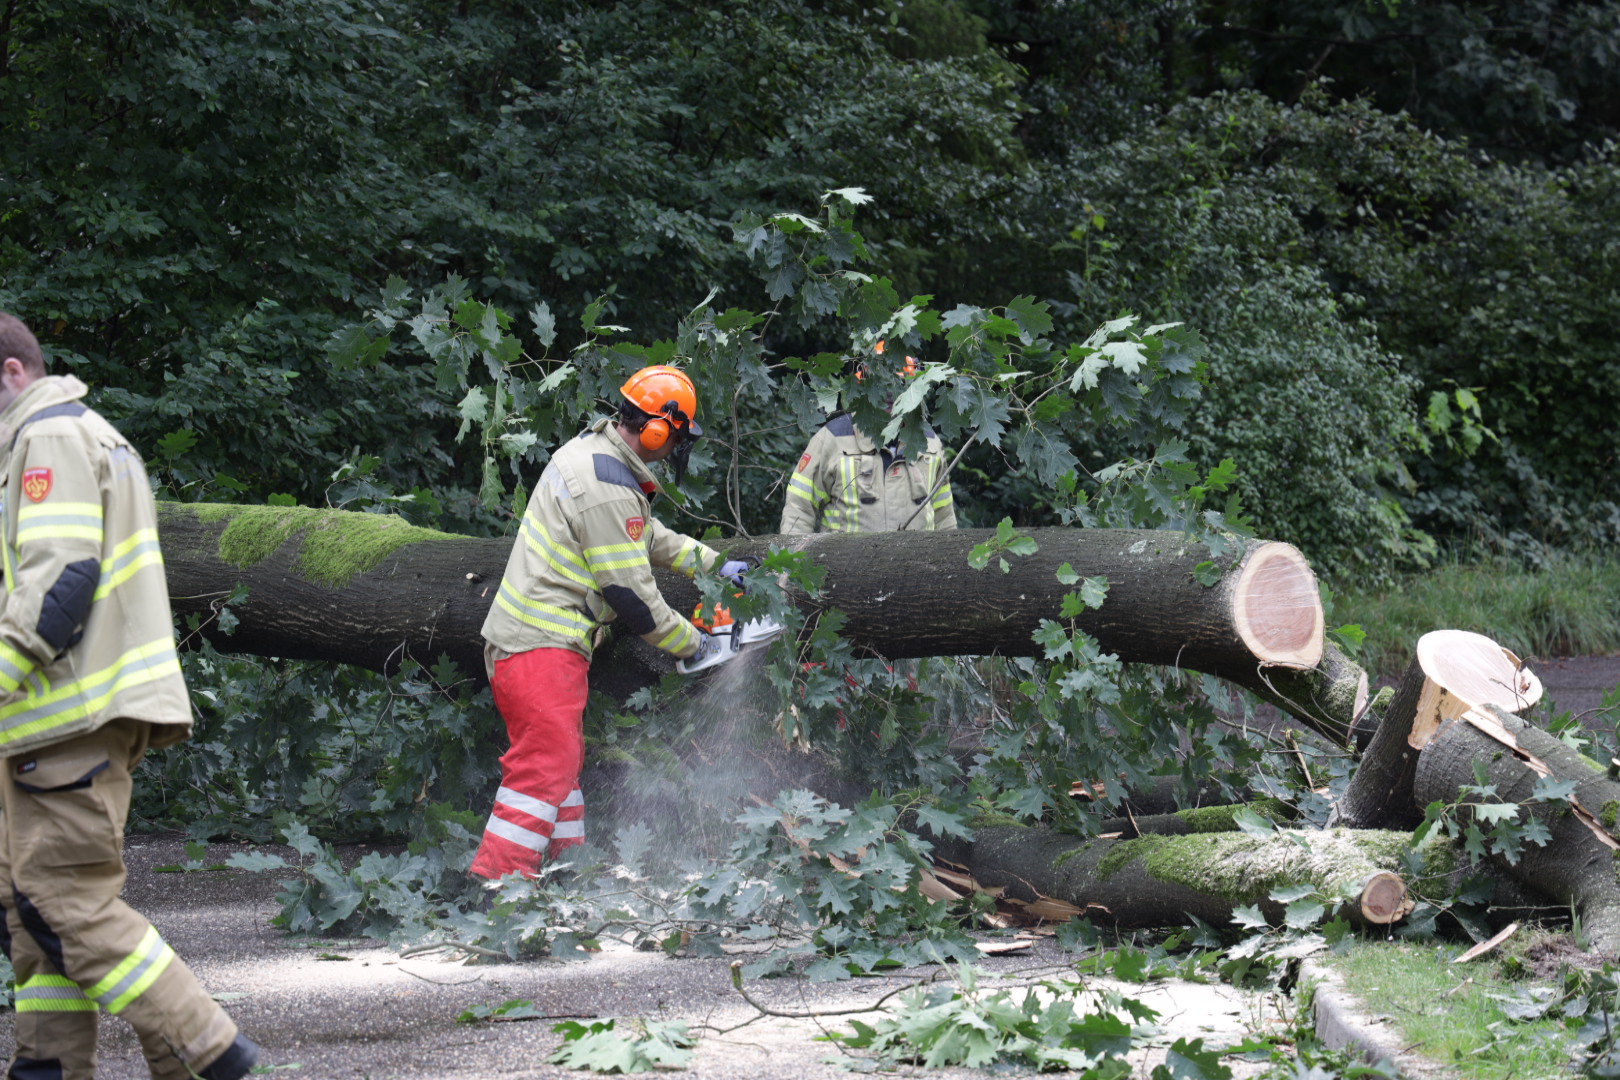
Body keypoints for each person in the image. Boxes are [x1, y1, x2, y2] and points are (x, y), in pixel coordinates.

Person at [0, 313, 259, 1080]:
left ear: (13, 373)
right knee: (36, 912)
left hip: (65, 716)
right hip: (55, 723)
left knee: (66, 902)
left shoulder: (47, 436)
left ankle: (210, 1055)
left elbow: (61, 581)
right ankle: (47, 1066)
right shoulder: (58, 438)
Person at [471, 365, 746, 880]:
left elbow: (645, 534)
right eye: (675, 439)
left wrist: (713, 563)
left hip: (542, 643)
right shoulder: (607, 486)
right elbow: (633, 598)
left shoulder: (596, 457)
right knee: (545, 765)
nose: (674, 451)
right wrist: (695, 645)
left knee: (561, 762)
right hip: (539, 644)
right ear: (657, 428)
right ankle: (499, 886)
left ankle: (563, 874)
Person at [779, 344, 958, 535]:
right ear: (863, 383)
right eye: (882, 383)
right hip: (843, 564)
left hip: (918, 565)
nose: (890, 392)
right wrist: (794, 562)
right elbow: (798, 510)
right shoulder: (833, 439)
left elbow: (944, 519)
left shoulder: (929, 442)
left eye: (898, 382)